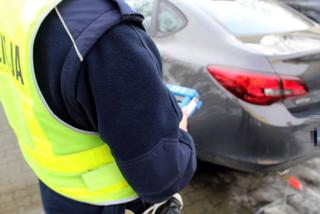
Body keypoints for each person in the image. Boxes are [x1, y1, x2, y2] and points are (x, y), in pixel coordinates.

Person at [0, 0, 197, 213]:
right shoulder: (107, 35)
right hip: (106, 202)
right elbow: (161, 177)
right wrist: (180, 133)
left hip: (55, 188)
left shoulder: (13, 7)